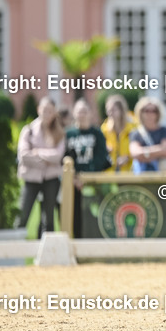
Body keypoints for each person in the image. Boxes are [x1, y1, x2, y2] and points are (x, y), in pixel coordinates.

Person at [17, 96, 66, 238]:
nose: (47, 114)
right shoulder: (29, 130)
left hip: (51, 179)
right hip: (31, 179)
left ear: (54, 112)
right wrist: (45, 159)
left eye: (50, 111)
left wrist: (37, 152)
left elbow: (58, 155)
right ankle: (15, 248)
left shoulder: (59, 132)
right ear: (39, 110)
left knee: (48, 218)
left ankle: (46, 253)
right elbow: (24, 155)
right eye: (44, 110)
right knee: (23, 214)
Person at [65, 99, 110, 237]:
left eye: (85, 111)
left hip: (93, 182)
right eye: (79, 111)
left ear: (90, 113)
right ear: (74, 113)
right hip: (73, 183)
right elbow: (65, 157)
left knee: (94, 214)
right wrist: (74, 178)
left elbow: (101, 157)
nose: (82, 114)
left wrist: (86, 177)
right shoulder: (68, 134)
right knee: (75, 215)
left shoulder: (97, 134)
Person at [129, 97, 166, 173]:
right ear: (141, 112)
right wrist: (158, 151)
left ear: (158, 113)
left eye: (153, 111)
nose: (150, 114)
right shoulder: (135, 133)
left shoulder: (165, 130)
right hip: (141, 173)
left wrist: (144, 154)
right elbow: (135, 153)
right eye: (146, 111)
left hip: (161, 175)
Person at [101, 94, 135, 172]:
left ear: (121, 110)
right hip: (110, 172)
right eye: (108, 110)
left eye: (113, 110)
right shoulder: (104, 129)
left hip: (129, 171)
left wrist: (128, 157)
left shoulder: (132, 128)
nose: (110, 113)